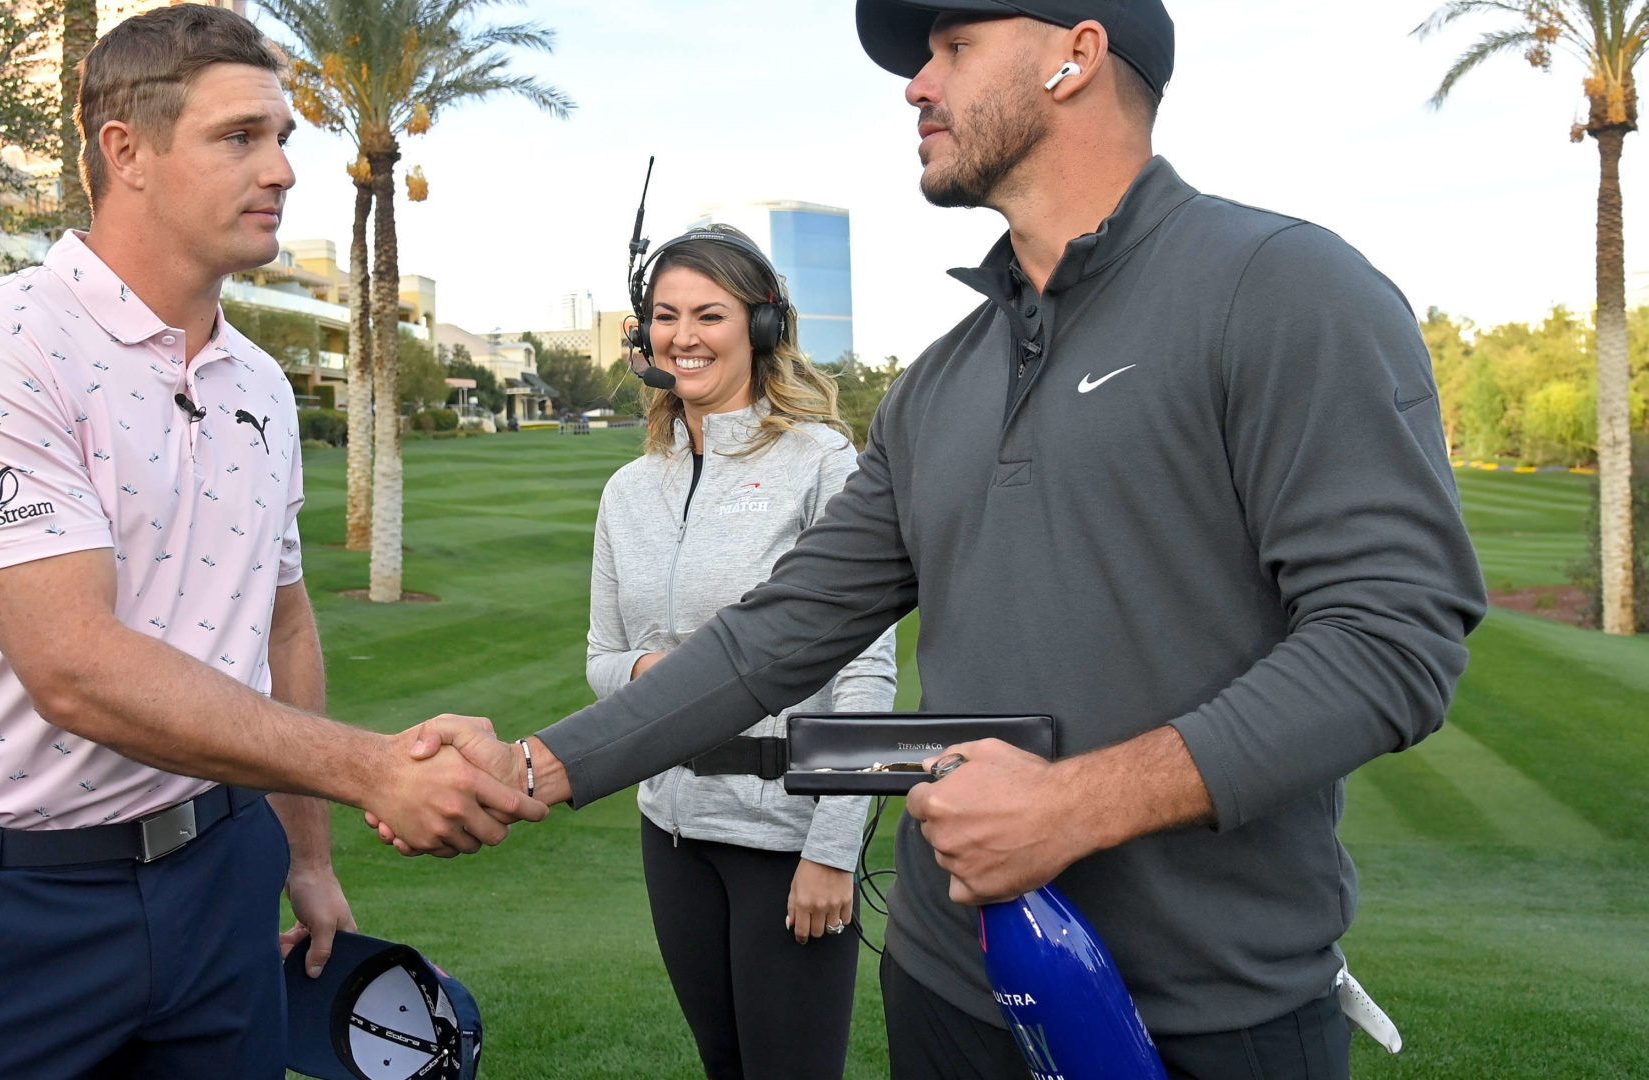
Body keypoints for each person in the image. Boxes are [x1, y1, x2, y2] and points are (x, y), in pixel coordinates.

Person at [403, 2, 1488, 1078]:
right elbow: (775, 636)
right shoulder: (942, 381)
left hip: (1208, 1010)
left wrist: (1074, 805)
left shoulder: (1284, 288)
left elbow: (1394, 635)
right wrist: (536, 766)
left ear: (1077, 55)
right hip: (944, 982)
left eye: (954, 49)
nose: (917, 85)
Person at [0, 9, 542, 1080]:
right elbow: (76, 670)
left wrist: (307, 858)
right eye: (239, 138)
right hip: (13, 904)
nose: (279, 168)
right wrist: (373, 768)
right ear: (125, 151)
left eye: (282, 138)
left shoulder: (260, 383)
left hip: (223, 877)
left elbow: (281, 618)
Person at [592, 225, 899, 1079]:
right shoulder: (627, 490)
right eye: (664, 316)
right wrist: (661, 680)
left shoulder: (823, 464)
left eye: (709, 315)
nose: (682, 336)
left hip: (789, 840)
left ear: (761, 328)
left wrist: (834, 848)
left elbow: (866, 671)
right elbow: (602, 659)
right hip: (674, 831)